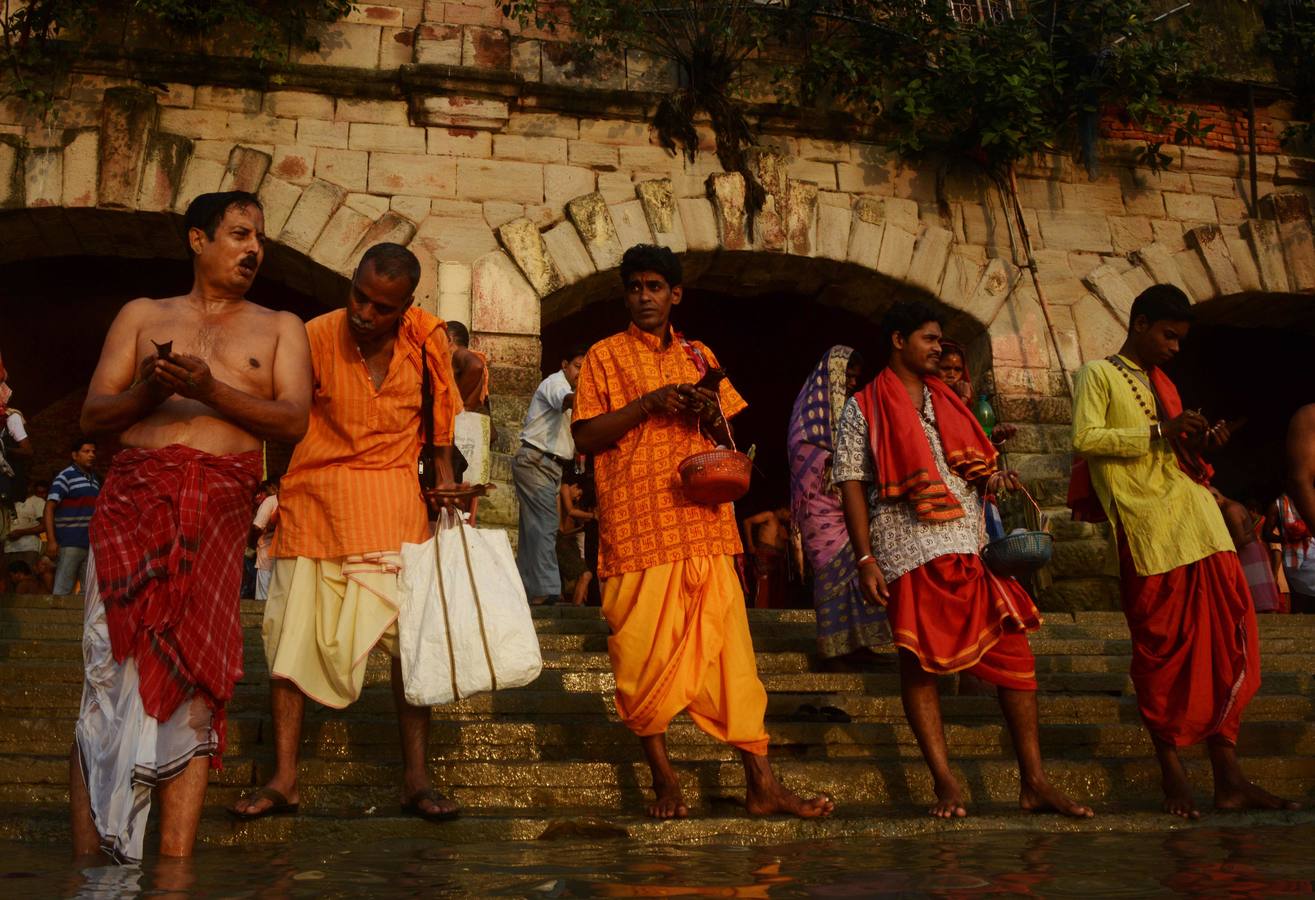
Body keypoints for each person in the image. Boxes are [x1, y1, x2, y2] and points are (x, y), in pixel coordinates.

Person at [70, 189, 313, 863]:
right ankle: (91, 867)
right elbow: (93, 415)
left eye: (258, 239)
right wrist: (154, 387)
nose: (254, 249)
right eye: (239, 234)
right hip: (131, 507)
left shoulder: (279, 326)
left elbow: (293, 421)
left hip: (216, 514)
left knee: (197, 686)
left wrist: (209, 390)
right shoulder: (143, 316)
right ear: (197, 240)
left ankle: (174, 867)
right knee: (106, 680)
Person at [572, 243, 833, 820]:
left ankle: (762, 784)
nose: (645, 297)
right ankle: (665, 782)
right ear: (627, 295)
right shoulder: (604, 355)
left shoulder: (699, 352)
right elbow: (586, 438)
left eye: (655, 287)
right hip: (637, 528)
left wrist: (704, 411)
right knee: (639, 658)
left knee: (731, 656)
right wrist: (649, 403)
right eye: (636, 287)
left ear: (675, 294)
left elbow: (727, 434)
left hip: (704, 525)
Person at [232, 242, 465, 824]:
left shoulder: (427, 338)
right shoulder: (312, 335)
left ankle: (416, 778)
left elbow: (440, 424)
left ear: (406, 305)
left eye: (381, 307)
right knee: (289, 640)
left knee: (410, 648)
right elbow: (280, 415)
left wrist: (445, 491)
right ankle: (284, 778)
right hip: (314, 498)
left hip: (393, 499)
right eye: (358, 295)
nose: (364, 313)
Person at [835, 301, 1090, 821]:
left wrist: (994, 478)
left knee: (1015, 655)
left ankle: (1034, 781)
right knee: (919, 662)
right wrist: (864, 558)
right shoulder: (862, 405)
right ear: (899, 340)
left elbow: (975, 468)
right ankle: (947, 784)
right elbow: (851, 483)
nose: (938, 348)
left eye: (940, 340)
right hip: (906, 545)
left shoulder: (949, 400)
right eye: (929, 339)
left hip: (969, 543)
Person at [1070, 283, 1298, 818]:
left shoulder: (1163, 383)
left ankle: (1229, 779)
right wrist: (1159, 429)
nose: (1175, 348)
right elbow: (1085, 438)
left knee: (1229, 642)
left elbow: (1174, 457)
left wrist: (1195, 444)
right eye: (1168, 336)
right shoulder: (1097, 374)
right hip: (1149, 530)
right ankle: (1173, 775)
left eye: (1180, 340)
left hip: (1198, 523)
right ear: (1140, 323)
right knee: (1160, 652)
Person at [788, 346, 892, 663]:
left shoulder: (850, 410)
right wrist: (832, 463)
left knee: (859, 569)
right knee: (832, 572)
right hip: (820, 509)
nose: (851, 383)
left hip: (849, 503)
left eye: (856, 378)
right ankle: (833, 650)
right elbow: (802, 453)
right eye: (846, 376)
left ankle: (860, 645)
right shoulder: (808, 416)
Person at [514, 346, 587, 605]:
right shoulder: (555, 383)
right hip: (537, 461)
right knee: (545, 526)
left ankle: (526, 589)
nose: (581, 372)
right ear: (565, 364)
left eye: (585, 369)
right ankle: (547, 591)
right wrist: (594, 395)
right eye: (579, 366)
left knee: (533, 529)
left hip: (548, 465)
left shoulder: (570, 392)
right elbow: (567, 399)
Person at [44, 438, 101, 596]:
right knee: (62, 590)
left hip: (90, 544)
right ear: (75, 455)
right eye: (86, 451)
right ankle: (55, 621)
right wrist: (52, 540)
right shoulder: (66, 476)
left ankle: (77, 622)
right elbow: (49, 507)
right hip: (70, 542)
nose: (91, 455)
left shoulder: (95, 480)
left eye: (93, 452)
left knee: (88, 594)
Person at [937, 340, 1017, 445]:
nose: (952, 374)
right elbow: (945, 429)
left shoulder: (970, 401)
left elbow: (972, 438)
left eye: (958, 369)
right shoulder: (928, 394)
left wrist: (995, 436)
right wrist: (963, 398)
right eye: (946, 368)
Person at [447, 321, 493, 485]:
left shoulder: (459, 353)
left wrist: (457, 403)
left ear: (449, 340)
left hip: (461, 431)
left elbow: (475, 366)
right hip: (468, 434)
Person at [1268, 494, 1315, 613]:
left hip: (1311, 553)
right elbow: (1267, 534)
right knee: (1302, 597)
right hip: (1294, 560)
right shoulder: (1279, 505)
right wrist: (1287, 539)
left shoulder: (1309, 497)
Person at [557, 474, 596, 607]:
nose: (577, 498)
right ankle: (576, 610)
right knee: (586, 574)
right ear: (575, 486)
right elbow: (570, 511)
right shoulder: (565, 487)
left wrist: (581, 528)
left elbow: (566, 531)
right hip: (559, 540)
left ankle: (576, 607)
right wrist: (593, 516)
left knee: (586, 575)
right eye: (578, 494)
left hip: (565, 540)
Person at [741, 507, 791, 609]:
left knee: (776, 587)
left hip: (777, 557)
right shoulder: (770, 515)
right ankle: (760, 610)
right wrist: (750, 544)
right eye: (789, 515)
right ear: (783, 509)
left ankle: (773, 613)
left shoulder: (782, 526)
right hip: (765, 553)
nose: (789, 518)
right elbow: (747, 522)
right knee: (764, 583)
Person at [4, 478, 48, 573]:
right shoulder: (10, 503)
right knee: (10, 581)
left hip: (29, 548)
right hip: (9, 548)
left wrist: (21, 532)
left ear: (29, 487)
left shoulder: (37, 501)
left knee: (28, 578)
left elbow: (44, 526)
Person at [249, 479, 280, 601]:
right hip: (285, 555)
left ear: (273, 487)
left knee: (263, 598)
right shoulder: (294, 500)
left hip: (267, 554)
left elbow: (258, 525)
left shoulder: (271, 501)